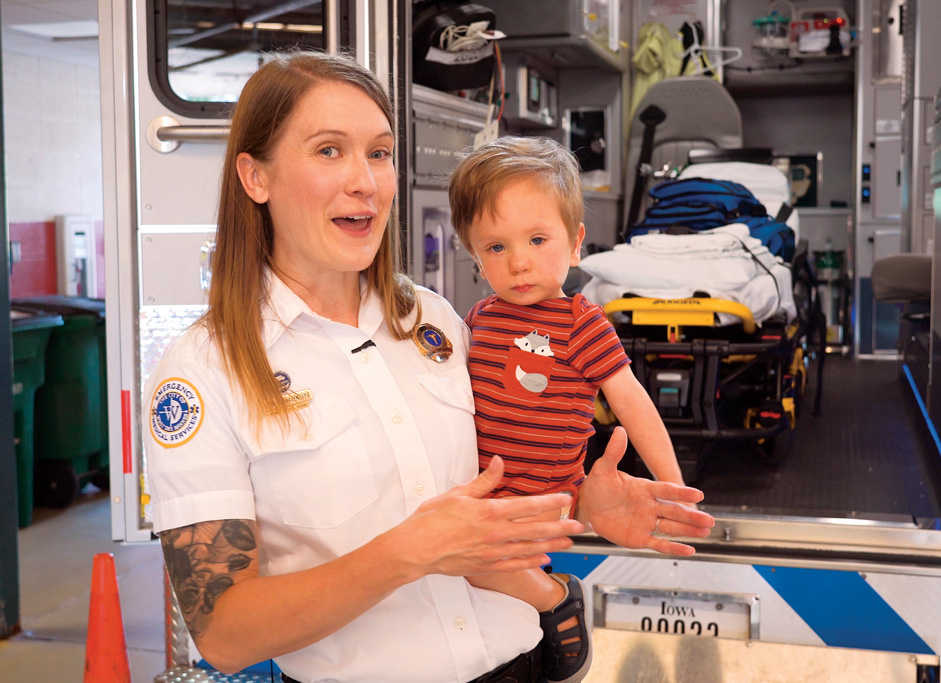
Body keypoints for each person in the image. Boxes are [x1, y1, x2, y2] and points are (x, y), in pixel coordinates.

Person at [144, 50, 715, 683]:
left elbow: (499, 460)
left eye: (380, 153)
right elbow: (224, 634)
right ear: (257, 178)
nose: (365, 180)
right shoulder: (204, 369)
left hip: (519, 665)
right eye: (329, 150)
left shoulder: (439, 321)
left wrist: (580, 497)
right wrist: (409, 554)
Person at [447, 136, 688, 683]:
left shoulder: (581, 323)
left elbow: (634, 404)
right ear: (475, 254)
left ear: (575, 242)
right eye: (496, 247)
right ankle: (541, 602)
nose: (520, 262)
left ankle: (556, 600)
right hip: (487, 494)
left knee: (477, 563)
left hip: (541, 497)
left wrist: (669, 484)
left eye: (536, 239)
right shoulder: (480, 316)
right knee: (477, 572)